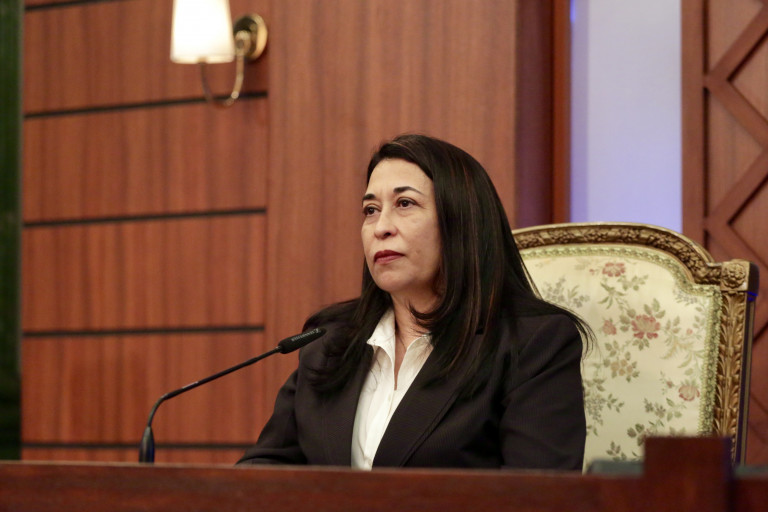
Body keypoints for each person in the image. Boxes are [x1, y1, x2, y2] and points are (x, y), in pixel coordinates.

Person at [238, 134, 591, 470]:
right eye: (370, 210)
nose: (381, 227)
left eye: (404, 204)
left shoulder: (531, 343)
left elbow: (536, 496)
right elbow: (265, 467)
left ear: (461, 221)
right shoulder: (329, 340)